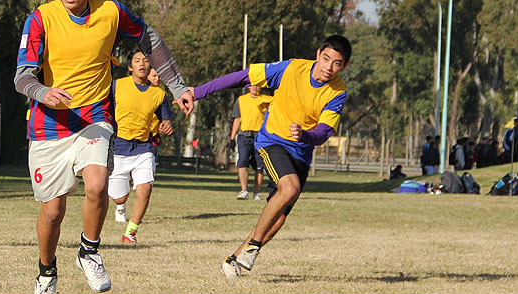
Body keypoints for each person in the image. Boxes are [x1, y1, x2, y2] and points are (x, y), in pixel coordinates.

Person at [14, 0, 194, 294]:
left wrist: (177, 86)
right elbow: (21, 77)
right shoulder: (41, 19)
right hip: (48, 125)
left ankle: (89, 251)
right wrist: (43, 92)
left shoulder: (110, 12)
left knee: (97, 184)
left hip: (94, 118)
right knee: (52, 212)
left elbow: (151, 39)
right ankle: (46, 273)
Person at [189, 35, 350, 279]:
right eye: (326, 58)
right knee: (290, 188)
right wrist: (199, 91)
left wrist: (305, 135)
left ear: (344, 66)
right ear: (318, 54)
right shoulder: (291, 68)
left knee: (277, 220)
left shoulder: (337, 92)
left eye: (337, 63)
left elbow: (324, 131)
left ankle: (233, 259)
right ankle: (253, 246)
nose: (329, 67)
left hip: (301, 152)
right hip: (272, 141)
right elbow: (244, 77)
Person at [109, 51, 174, 244]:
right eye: (137, 61)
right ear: (130, 67)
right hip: (118, 146)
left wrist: (167, 125)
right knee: (119, 198)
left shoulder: (159, 94)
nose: (142, 64)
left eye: (146, 61)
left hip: (144, 148)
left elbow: (167, 121)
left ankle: (130, 232)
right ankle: (120, 206)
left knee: (145, 189)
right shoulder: (116, 85)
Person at [229, 85, 272, 200]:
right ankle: (244, 190)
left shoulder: (266, 99)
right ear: (248, 87)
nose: (255, 88)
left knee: (259, 165)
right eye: (252, 86)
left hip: (260, 136)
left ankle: (257, 193)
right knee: (242, 162)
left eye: (258, 86)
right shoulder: (241, 100)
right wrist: (232, 138)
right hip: (244, 135)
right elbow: (237, 119)